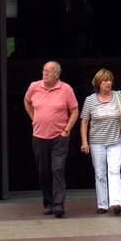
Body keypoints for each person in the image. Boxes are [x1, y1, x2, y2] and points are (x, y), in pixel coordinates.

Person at [23, 60, 78, 218]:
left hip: (59, 137)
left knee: (57, 169)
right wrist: (33, 118)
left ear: (57, 74)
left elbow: (74, 111)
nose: (45, 73)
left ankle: (58, 204)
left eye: (49, 71)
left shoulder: (66, 89)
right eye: (44, 70)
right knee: (44, 171)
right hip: (39, 136)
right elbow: (26, 102)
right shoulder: (34, 87)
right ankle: (48, 202)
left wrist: (67, 129)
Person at [79, 69, 121, 215]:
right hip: (97, 142)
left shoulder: (118, 96)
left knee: (114, 171)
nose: (108, 83)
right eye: (105, 80)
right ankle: (102, 204)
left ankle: (116, 202)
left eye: (110, 80)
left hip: (116, 140)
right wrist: (84, 142)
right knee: (100, 173)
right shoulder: (90, 100)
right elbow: (84, 122)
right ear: (98, 83)